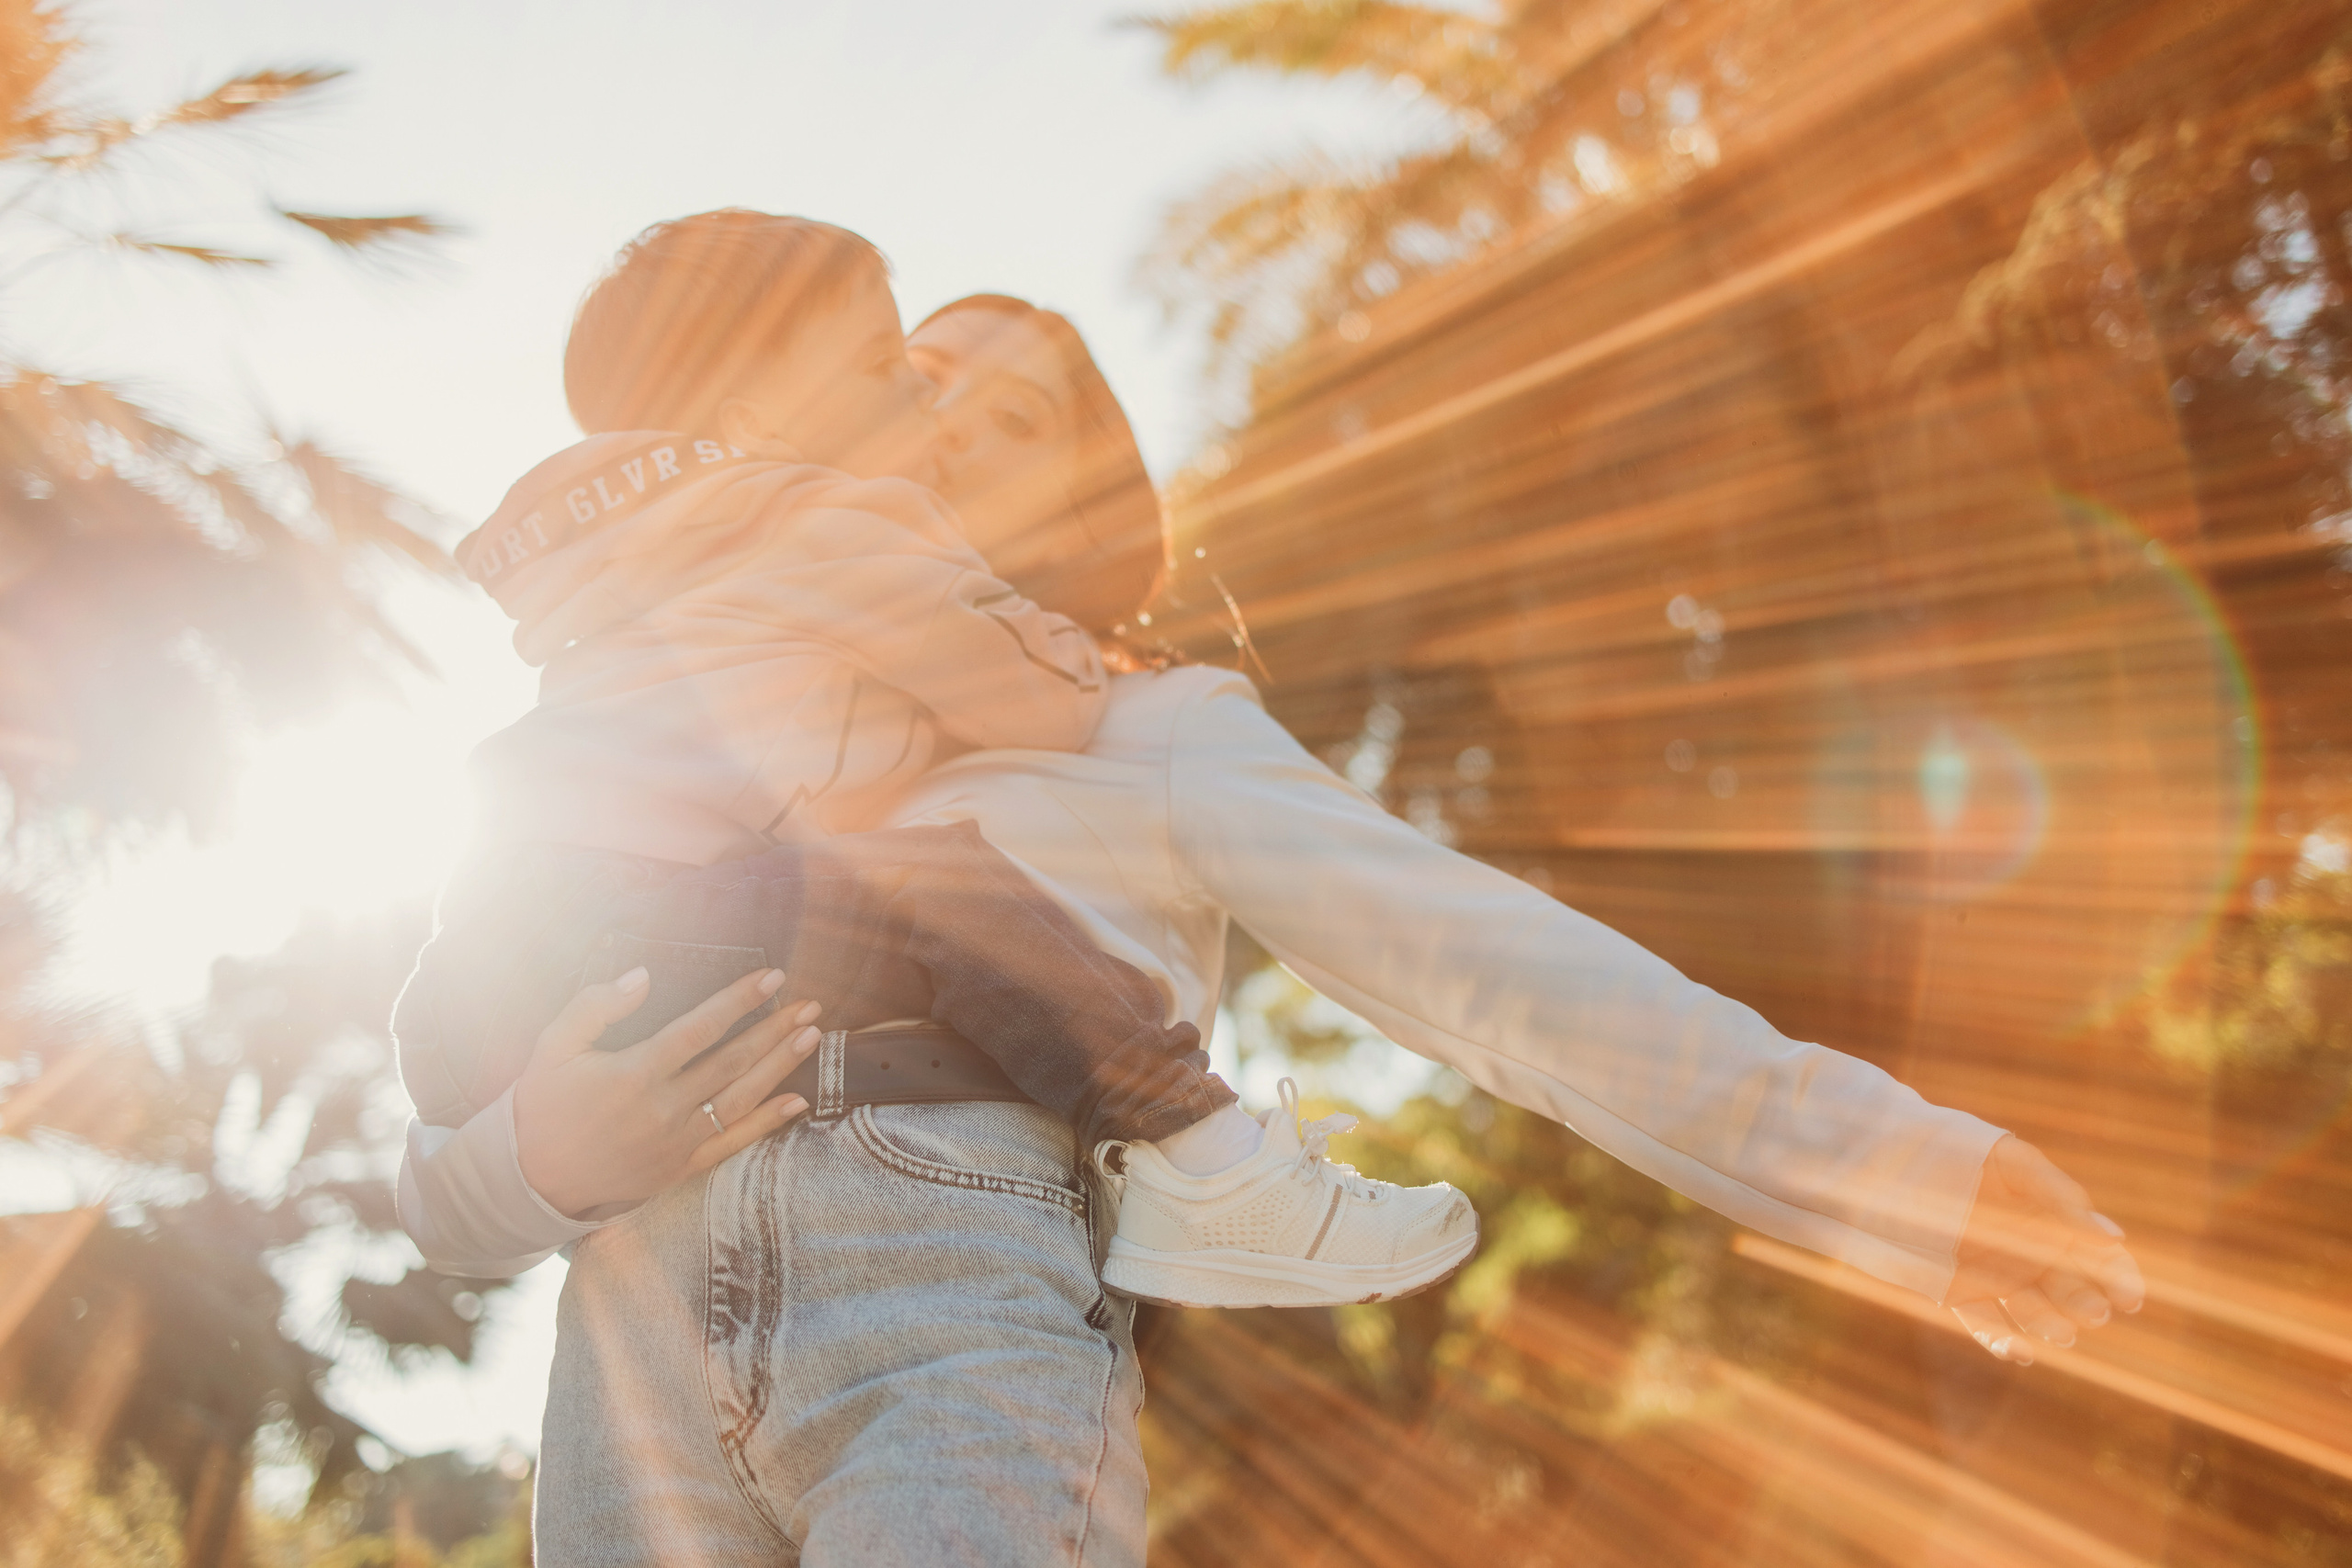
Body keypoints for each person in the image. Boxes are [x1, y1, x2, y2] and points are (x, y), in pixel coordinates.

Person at [401, 288, 2145, 1568]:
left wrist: (1919, 1174)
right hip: (622, 1332)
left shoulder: (1157, 734)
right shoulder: (681, 711)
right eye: (916, 380)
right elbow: (449, 1120)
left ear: (1085, 504)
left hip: (956, 1306)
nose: (933, 429)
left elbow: (1502, 974)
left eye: (1005, 420)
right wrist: (532, 1163)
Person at [395, 209, 1478, 1317]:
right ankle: (1203, 1160)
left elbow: (795, 745)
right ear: (757, 423)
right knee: (935, 881)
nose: (918, 390)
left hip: (468, 995)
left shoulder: (644, 561)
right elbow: (1037, 700)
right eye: (881, 364)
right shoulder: (818, 516)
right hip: (630, 927)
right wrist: (1064, 648)